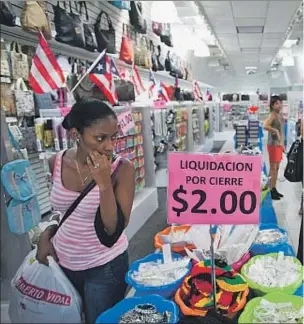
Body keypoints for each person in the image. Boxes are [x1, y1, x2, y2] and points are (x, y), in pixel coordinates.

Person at [36, 99, 135, 323]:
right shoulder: (56, 162)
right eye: (100, 138)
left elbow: (113, 229)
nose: (109, 146)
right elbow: (61, 212)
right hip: (63, 263)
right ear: (75, 134)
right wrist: (47, 234)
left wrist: (104, 184)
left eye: (113, 137)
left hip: (104, 266)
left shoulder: (122, 169)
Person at [264, 96, 284, 200]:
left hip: (278, 145)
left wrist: (282, 144)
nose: (279, 105)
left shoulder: (279, 115)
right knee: (273, 168)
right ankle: (271, 190)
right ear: (272, 105)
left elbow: (281, 131)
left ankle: (273, 188)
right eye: (277, 103)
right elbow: (265, 125)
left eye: (280, 103)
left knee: (276, 168)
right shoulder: (272, 115)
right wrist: (274, 131)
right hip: (273, 144)